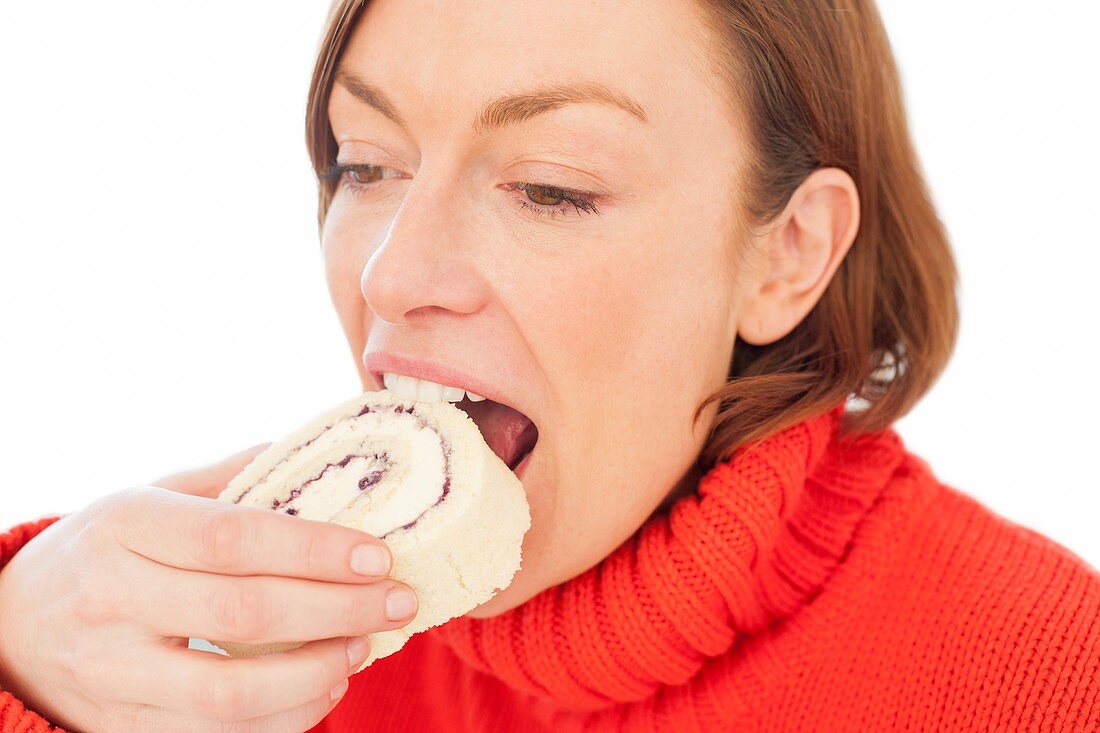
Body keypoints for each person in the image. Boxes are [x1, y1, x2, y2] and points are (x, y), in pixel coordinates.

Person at [2, 0, 1098, 730]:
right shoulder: (234, 671)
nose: (392, 274)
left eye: (551, 185)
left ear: (787, 252)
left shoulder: (1044, 677)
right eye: (366, 162)